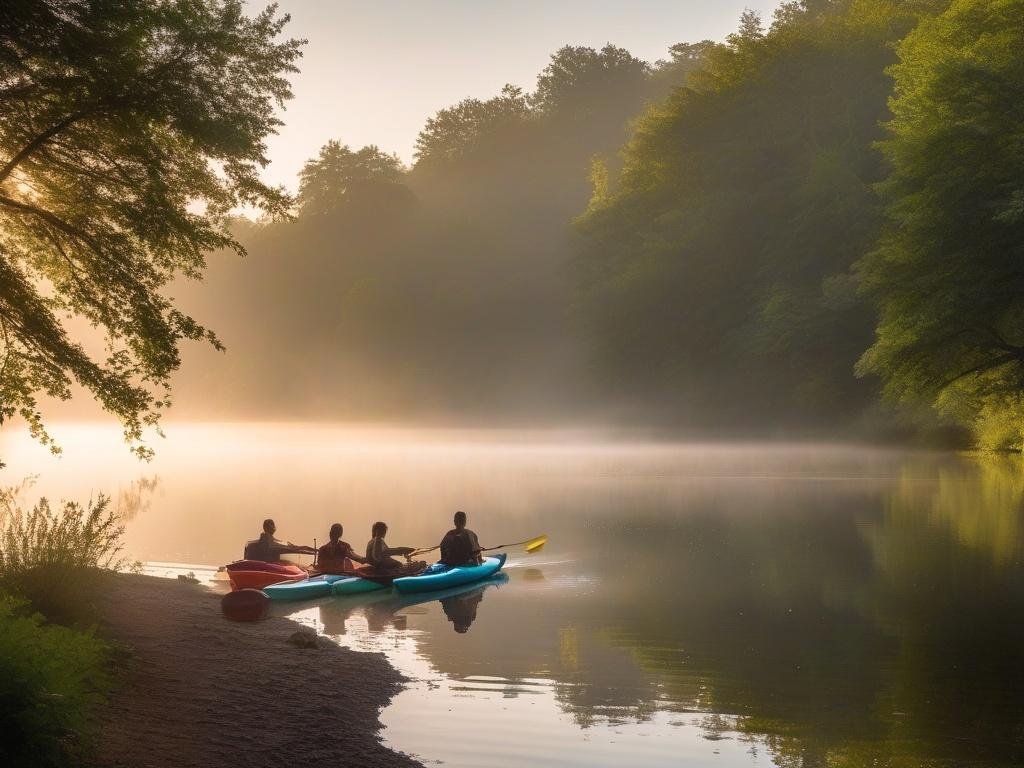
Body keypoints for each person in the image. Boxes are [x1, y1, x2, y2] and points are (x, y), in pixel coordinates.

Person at [244, 518, 316, 562]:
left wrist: (314, 551)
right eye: (272, 525)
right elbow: (298, 548)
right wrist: (314, 552)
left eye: (272, 525)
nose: (273, 527)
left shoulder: (249, 545)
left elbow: (298, 548)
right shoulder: (251, 545)